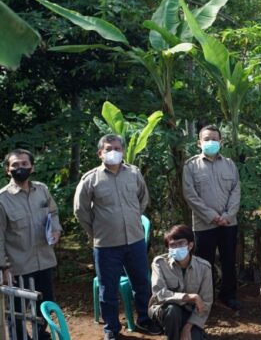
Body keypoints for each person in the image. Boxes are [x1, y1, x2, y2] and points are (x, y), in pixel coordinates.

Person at [74, 134, 161, 339]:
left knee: (141, 283)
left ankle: (144, 320)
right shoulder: (90, 179)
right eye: (108, 148)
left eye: (117, 148)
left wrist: (132, 217)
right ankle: (112, 328)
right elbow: (80, 210)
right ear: (100, 153)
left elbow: (143, 198)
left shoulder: (133, 173)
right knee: (108, 288)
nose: (113, 152)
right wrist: (95, 231)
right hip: (106, 244)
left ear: (122, 151)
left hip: (135, 240)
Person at [0, 149, 62, 340]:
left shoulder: (42, 190)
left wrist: (56, 229)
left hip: (44, 260)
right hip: (18, 266)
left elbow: (52, 212)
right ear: (7, 170)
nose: (20, 168)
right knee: (16, 312)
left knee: (44, 305)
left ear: (32, 167)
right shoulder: (2, 199)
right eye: (15, 165)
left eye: (24, 164)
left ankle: (41, 336)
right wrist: (4, 268)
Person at [182, 124, 241, 311]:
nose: (211, 142)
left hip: (228, 223)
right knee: (203, 263)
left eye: (214, 139)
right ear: (199, 143)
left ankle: (228, 296)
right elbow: (190, 195)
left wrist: (227, 215)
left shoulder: (230, 164)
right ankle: (206, 298)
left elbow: (236, 191)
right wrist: (212, 216)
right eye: (207, 139)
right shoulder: (191, 166)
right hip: (203, 225)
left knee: (229, 261)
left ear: (221, 142)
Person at [149, 225, 213, 340]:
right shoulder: (159, 263)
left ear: (190, 245)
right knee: (173, 311)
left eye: (181, 243)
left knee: (194, 337)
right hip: (163, 310)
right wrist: (189, 297)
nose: (176, 247)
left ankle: (190, 330)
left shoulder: (204, 267)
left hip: (190, 313)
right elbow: (159, 293)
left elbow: (206, 302)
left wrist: (188, 327)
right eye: (172, 245)